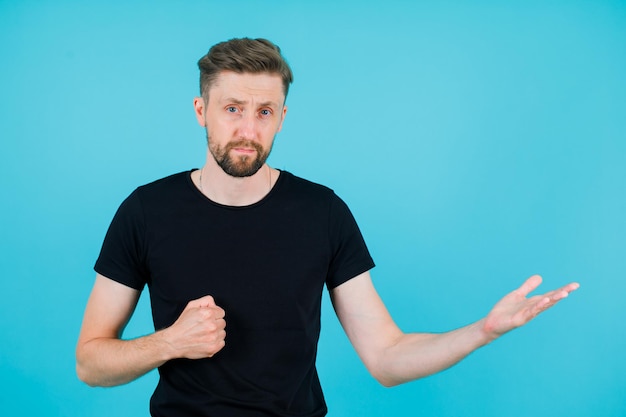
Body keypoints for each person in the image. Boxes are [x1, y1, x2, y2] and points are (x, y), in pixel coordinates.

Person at [76, 37, 579, 417]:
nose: (248, 130)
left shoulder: (322, 212)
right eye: (232, 109)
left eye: (264, 112)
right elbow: (90, 362)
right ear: (201, 111)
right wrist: (171, 341)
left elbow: (386, 356)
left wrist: (483, 331)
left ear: (282, 118)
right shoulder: (145, 211)